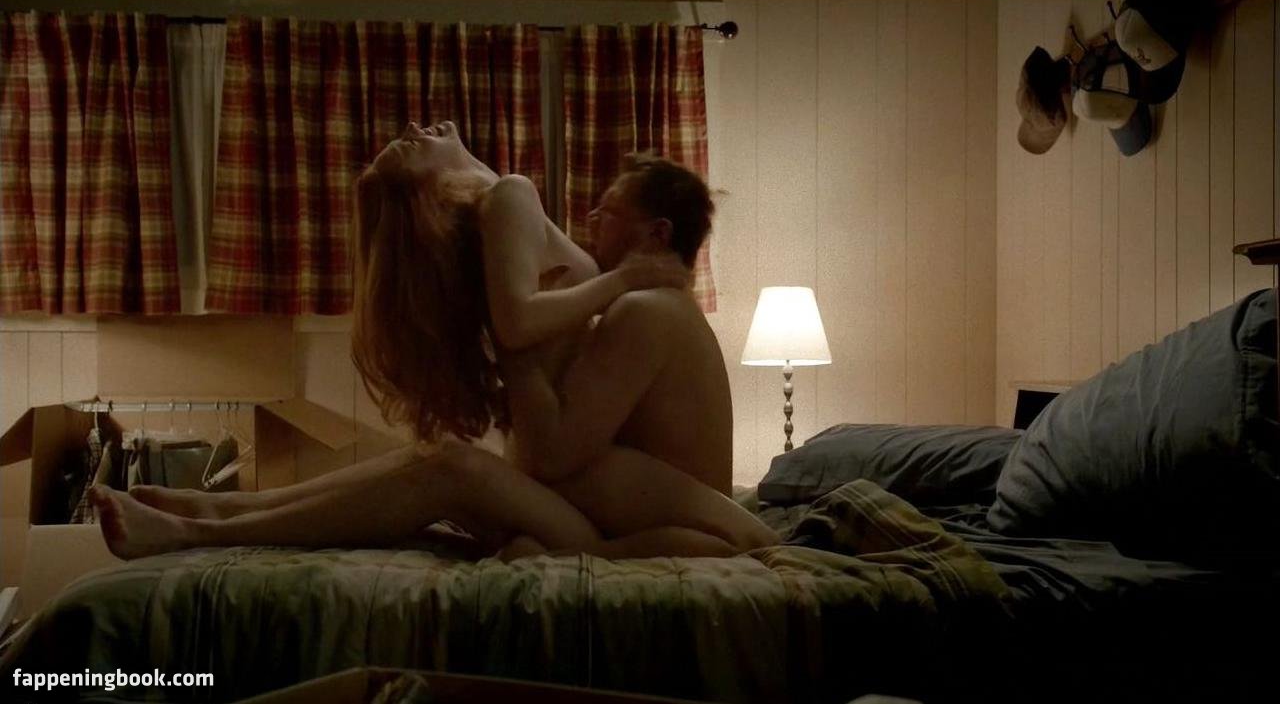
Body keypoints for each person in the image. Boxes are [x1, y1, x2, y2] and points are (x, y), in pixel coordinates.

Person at [92, 121, 777, 559]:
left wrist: (525, 350)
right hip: (617, 517)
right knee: (442, 461)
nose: (592, 218)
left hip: (650, 532)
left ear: (658, 234)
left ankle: (202, 527)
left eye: (611, 211)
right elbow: (561, 440)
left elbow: (553, 450)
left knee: (451, 468)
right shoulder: (579, 266)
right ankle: (215, 508)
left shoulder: (644, 308)